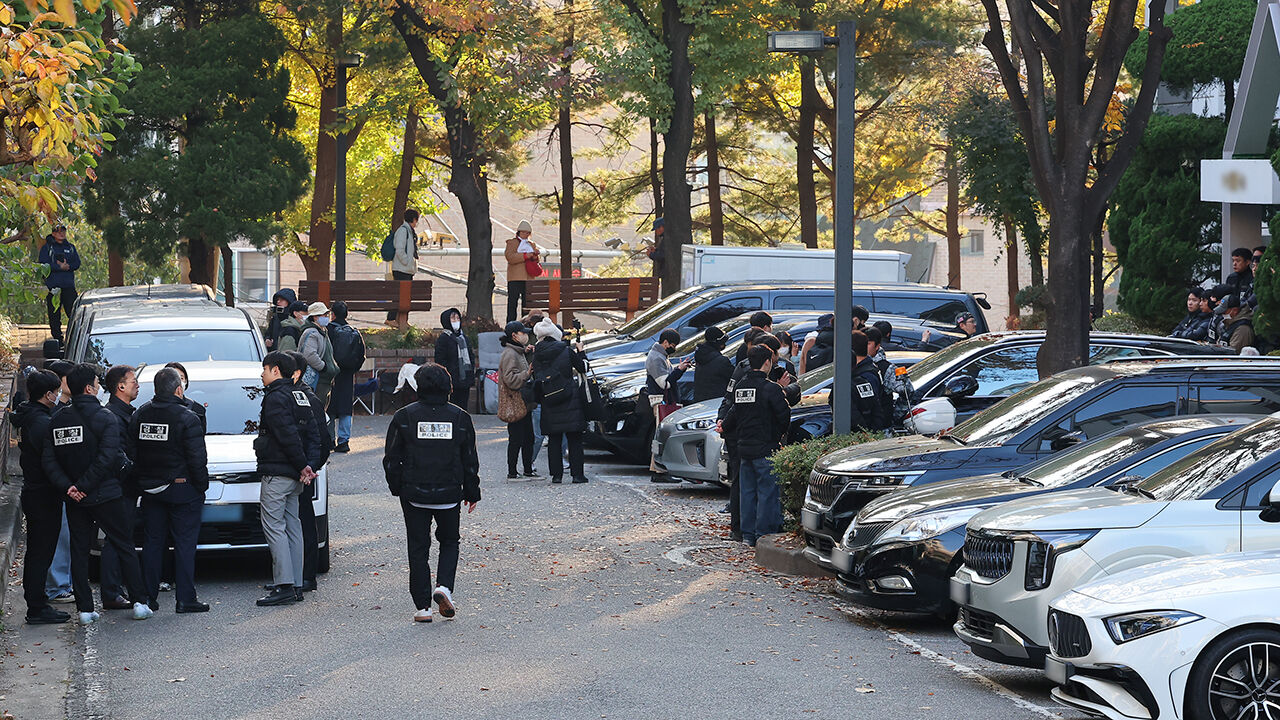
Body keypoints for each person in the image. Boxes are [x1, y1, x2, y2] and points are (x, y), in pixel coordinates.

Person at [42, 363, 153, 624]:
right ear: (90, 388)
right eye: (96, 383)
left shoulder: (58, 419)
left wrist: (71, 487)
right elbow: (108, 458)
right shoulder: (106, 418)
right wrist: (84, 485)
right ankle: (139, 602)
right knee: (124, 545)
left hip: (73, 498)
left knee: (79, 551)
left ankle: (85, 609)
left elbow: (49, 461)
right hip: (106, 493)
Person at [383, 363, 481, 623]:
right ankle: (444, 587)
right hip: (449, 493)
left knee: (418, 547)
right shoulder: (460, 417)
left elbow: (392, 458)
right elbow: (469, 458)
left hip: (414, 492)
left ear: (418, 386)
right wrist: (472, 490)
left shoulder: (404, 416)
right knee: (449, 542)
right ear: (449, 386)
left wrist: (398, 487)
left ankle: (423, 607)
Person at [128, 368, 209, 613]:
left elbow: (133, 452)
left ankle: (148, 597)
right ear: (178, 389)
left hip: (151, 490)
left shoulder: (141, 414)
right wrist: (201, 486)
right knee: (185, 545)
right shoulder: (187, 417)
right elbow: (197, 459)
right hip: (183, 489)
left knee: (153, 543)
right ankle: (185, 598)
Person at [254, 352, 318, 606]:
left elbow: (285, 434)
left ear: (276, 370)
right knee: (293, 526)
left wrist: (302, 465)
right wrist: (309, 465)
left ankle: (284, 585)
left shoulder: (275, 398)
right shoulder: (300, 395)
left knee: (273, 525)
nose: (262, 374)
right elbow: (313, 433)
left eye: (265, 369)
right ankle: (297, 583)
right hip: (295, 475)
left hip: (279, 471)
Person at [11, 370, 70, 624]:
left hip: (35, 491)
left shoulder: (29, 416)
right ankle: (36, 606)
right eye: (56, 392)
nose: (58, 395)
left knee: (38, 551)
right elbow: (51, 460)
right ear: (48, 395)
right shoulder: (41, 423)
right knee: (41, 552)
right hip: (44, 494)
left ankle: (37, 603)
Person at [723, 345, 790, 547]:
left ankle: (748, 535)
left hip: (744, 448)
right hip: (765, 448)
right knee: (768, 493)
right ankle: (763, 534)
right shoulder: (771, 388)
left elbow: (732, 415)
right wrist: (776, 437)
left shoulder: (741, 387)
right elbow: (784, 417)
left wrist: (724, 427)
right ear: (767, 362)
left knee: (747, 493)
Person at [285, 351, 330, 592]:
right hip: (292, 469)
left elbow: (323, 440)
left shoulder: (307, 399)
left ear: (295, 373)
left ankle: (306, 575)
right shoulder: (286, 395)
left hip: (303, 471)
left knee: (304, 523)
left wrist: (311, 468)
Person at [98, 364, 139, 611]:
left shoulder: (123, 412)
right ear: (120, 386)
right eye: (133, 381)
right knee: (117, 539)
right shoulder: (114, 416)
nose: (137, 385)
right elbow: (117, 454)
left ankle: (115, 589)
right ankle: (111, 591)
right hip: (120, 487)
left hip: (125, 486)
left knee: (120, 537)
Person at [531, 319, 589, 484]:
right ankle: (577, 475)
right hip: (569, 397)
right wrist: (581, 352)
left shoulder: (537, 354)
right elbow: (583, 368)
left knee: (554, 438)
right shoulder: (566, 351)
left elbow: (537, 377)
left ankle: (556, 476)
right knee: (575, 438)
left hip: (549, 398)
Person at [43, 360, 74, 606]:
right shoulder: (53, 415)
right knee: (60, 538)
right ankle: (57, 587)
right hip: (59, 487)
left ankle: (64, 584)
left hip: (67, 485)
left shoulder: (66, 409)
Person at [646, 329, 690, 479]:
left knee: (661, 436)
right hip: (660, 401)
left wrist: (678, 369)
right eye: (672, 344)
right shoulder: (657, 358)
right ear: (665, 343)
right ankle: (659, 471)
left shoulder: (661, 356)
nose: (674, 348)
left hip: (661, 400)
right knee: (662, 436)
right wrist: (679, 370)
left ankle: (657, 469)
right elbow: (664, 383)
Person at [828, 331, 889, 433]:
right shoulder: (864, 380)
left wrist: (865, 433)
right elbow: (877, 410)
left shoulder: (845, 386)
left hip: (856, 436)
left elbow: (852, 415)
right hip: (869, 434)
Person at [499, 321, 538, 479]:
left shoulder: (518, 351)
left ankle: (527, 469)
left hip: (523, 402)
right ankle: (512, 472)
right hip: (515, 401)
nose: (526, 335)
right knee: (517, 439)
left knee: (528, 437)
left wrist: (526, 351)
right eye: (523, 333)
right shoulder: (510, 353)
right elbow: (510, 379)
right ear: (514, 336)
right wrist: (527, 374)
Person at [327, 301, 366, 453]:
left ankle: (329, 439)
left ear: (333, 314)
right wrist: (352, 369)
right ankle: (344, 441)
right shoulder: (353, 331)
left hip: (330, 373)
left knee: (328, 406)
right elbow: (361, 355)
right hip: (347, 374)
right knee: (345, 408)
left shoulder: (328, 330)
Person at [39, 223, 81, 342]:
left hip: (68, 286)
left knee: (73, 313)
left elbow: (77, 263)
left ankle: (75, 337)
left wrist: (68, 266)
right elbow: (43, 265)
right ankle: (58, 339)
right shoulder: (47, 248)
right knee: (54, 315)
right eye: (58, 231)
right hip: (53, 287)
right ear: (53, 233)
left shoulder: (71, 247)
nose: (61, 233)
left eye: (63, 231)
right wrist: (58, 267)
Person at [869, 323, 911, 425]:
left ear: (877, 346)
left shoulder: (891, 368)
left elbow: (908, 391)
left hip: (881, 428)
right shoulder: (851, 364)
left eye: (868, 343)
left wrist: (895, 415)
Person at [299, 302, 339, 407]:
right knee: (317, 409)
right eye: (323, 315)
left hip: (324, 379)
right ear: (315, 317)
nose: (326, 317)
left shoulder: (321, 331)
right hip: (318, 379)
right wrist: (323, 367)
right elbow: (310, 355)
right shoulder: (312, 333)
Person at [434, 308, 475, 409]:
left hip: (465, 378)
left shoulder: (464, 338)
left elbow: (470, 356)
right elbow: (440, 359)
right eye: (453, 318)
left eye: (457, 318)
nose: (456, 321)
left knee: (463, 406)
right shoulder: (444, 338)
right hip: (452, 378)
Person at [387, 209, 420, 325]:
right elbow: (399, 249)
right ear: (414, 219)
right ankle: (391, 319)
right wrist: (407, 262)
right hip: (402, 269)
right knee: (399, 295)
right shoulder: (403, 231)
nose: (417, 223)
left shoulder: (408, 231)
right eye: (416, 220)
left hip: (406, 269)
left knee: (405, 297)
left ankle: (402, 320)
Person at [504, 220, 542, 323]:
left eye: (528, 233)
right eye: (524, 232)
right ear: (519, 232)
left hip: (528, 277)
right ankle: (511, 324)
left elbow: (537, 260)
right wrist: (525, 256)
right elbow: (510, 257)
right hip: (515, 277)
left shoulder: (531, 244)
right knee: (512, 303)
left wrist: (535, 256)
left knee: (527, 304)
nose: (526, 234)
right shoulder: (512, 243)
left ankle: (527, 323)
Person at [692, 326, 734, 403]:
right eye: (723, 343)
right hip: (717, 401)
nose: (724, 345)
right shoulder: (722, 361)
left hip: (700, 402)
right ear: (718, 343)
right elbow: (734, 379)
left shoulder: (700, 358)